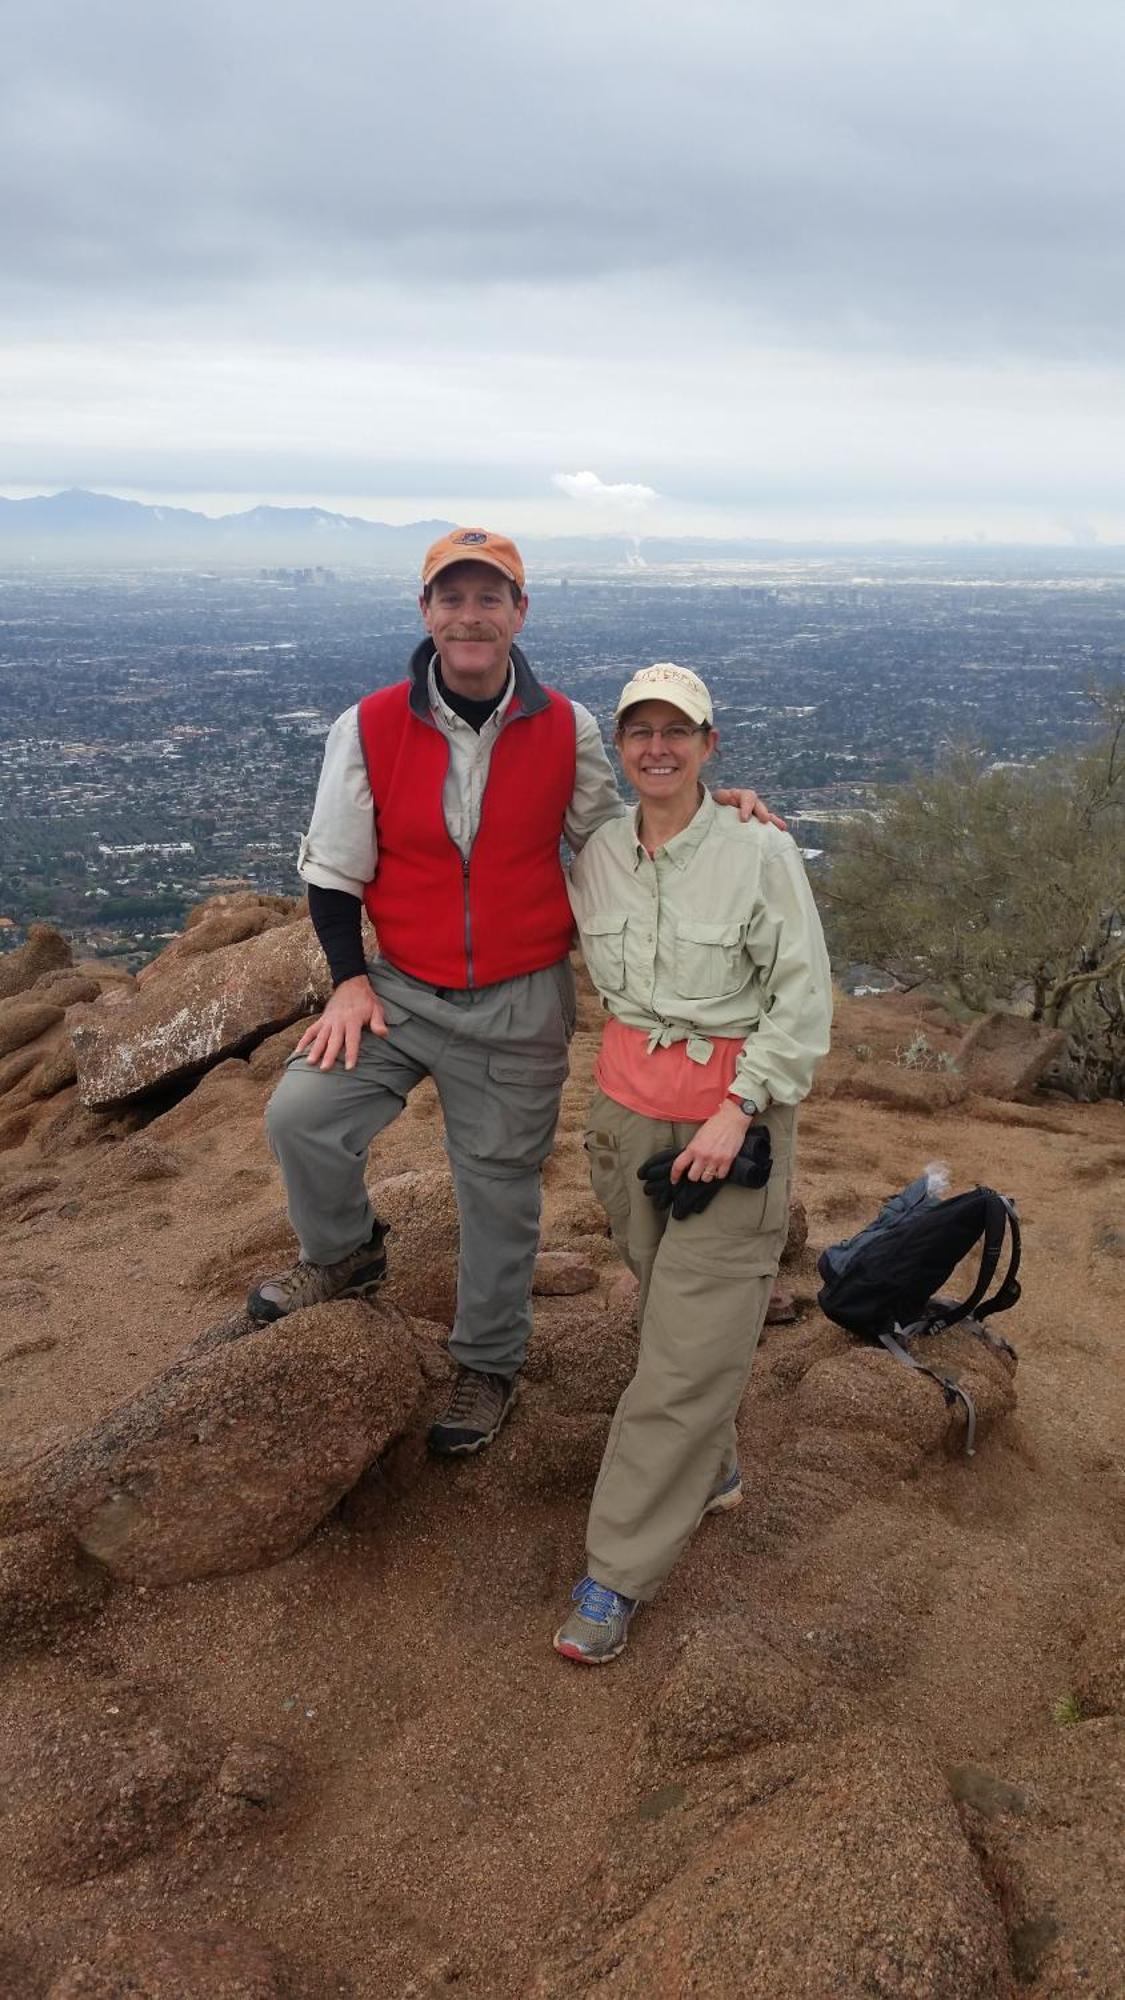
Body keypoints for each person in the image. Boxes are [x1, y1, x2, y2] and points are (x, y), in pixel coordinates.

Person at [250, 531, 772, 1459]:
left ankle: (487, 1363)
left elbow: (612, 839)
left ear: (519, 613)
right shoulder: (368, 725)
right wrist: (347, 983)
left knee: (497, 1192)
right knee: (303, 1114)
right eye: (451, 598)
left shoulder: (563, 725)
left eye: (490, 597)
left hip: (520, 999)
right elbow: (333, 869)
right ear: (426, 614)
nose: (470, 615)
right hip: (399, 990)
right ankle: (345, 1255)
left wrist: (711, 808)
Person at [554, 663, 832, 1665]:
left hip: (731, 1133)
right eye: (641, 732)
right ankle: (711, 1462)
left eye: (680, 730)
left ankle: (615, 1571)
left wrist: (739, 1107)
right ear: (621, 749)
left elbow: (802, 999)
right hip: (625, 1124)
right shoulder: (597, 855)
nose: (658, 747)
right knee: (666, 1296)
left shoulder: (760, 853)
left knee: (678, 1355)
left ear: (711, 745)